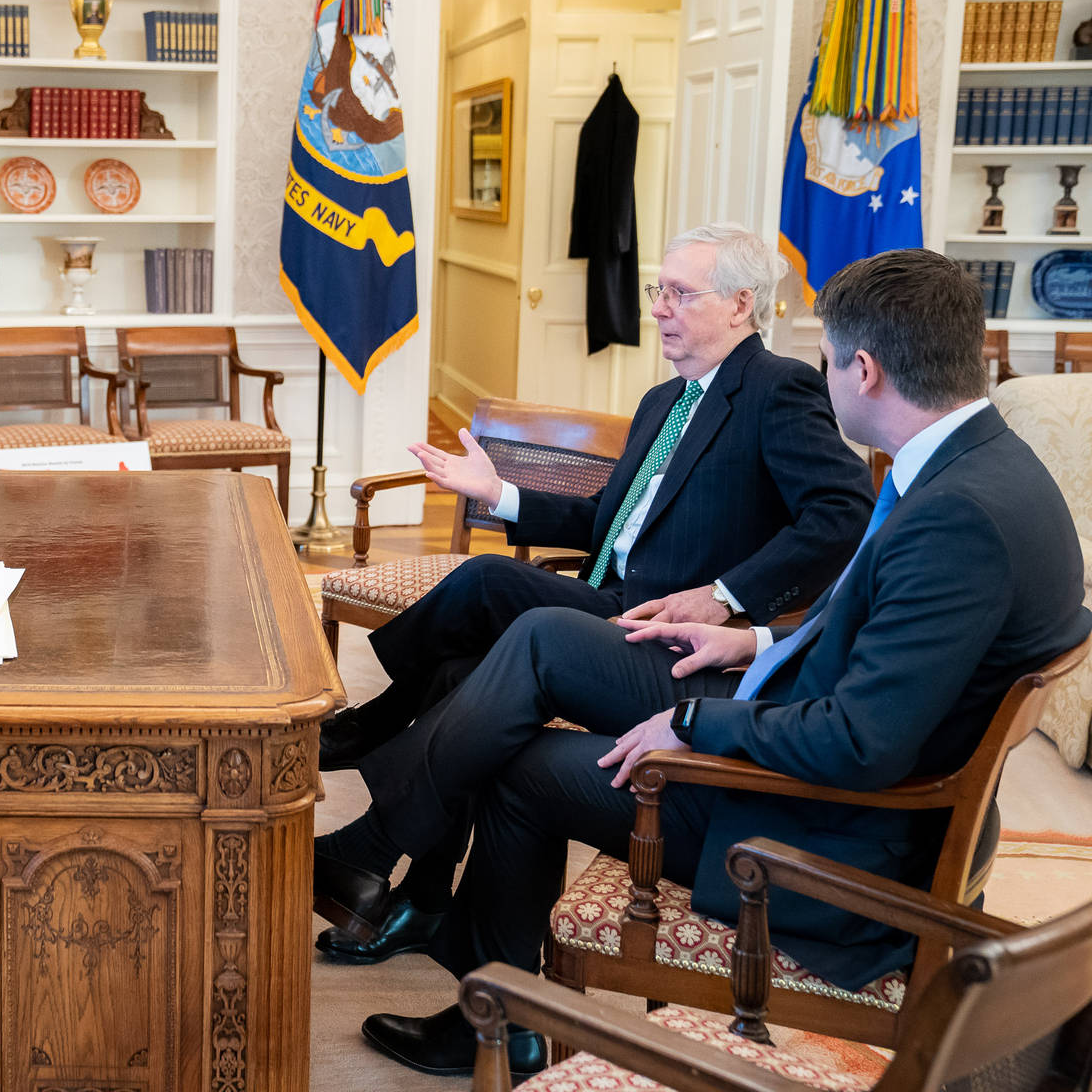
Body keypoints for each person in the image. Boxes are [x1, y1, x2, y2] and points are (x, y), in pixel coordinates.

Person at [312, 248, 1092, 1077]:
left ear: (862, 369)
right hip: (815, 749)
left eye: (826, 358)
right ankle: (436, 926)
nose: (820, 375)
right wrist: (753, 641)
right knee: (522, 649)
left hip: (825, 837)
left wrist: (694, 723)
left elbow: (865, 742)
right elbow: (870, 632)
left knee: (521, 749)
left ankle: (457, 964)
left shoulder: (956, 517)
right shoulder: (989, 471)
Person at [316, 223, 873, 965]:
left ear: (742, 305)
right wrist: (501, 493)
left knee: (485, 581)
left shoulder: (778, 388)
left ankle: (378, 746)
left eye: (681, 293)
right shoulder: (664, 401)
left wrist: (727, 593)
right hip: (606, 602)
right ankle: (419, 897)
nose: (661, 308)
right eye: (658, 291)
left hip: (662, 630)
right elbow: (604, 521)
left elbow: (842, 511)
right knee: (457, 676)